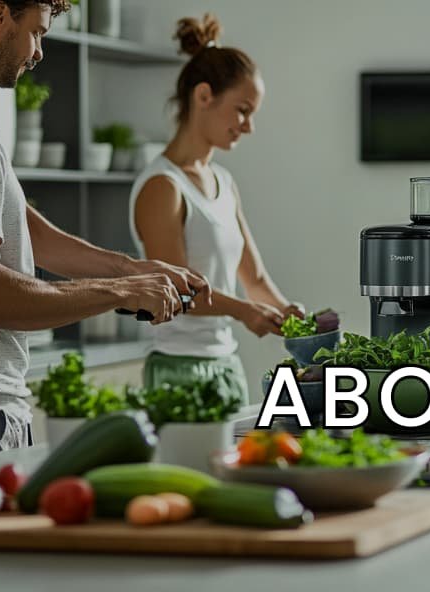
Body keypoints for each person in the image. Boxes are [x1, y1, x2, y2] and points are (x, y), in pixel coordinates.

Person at [0, 0, 211, 465]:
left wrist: (130, 269)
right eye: (36, 31)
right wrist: (119, 292)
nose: (37, 53)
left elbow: (23, 224)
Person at [129, 14, 303, 403]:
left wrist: (287, 311)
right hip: (177, 368)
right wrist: (244, 312)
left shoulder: (224, 183)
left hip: (227, 365)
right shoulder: (163, 186)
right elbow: (177, 291)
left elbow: (254, 278)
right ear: (204, 96)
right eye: (243, 110)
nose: (248, 126)